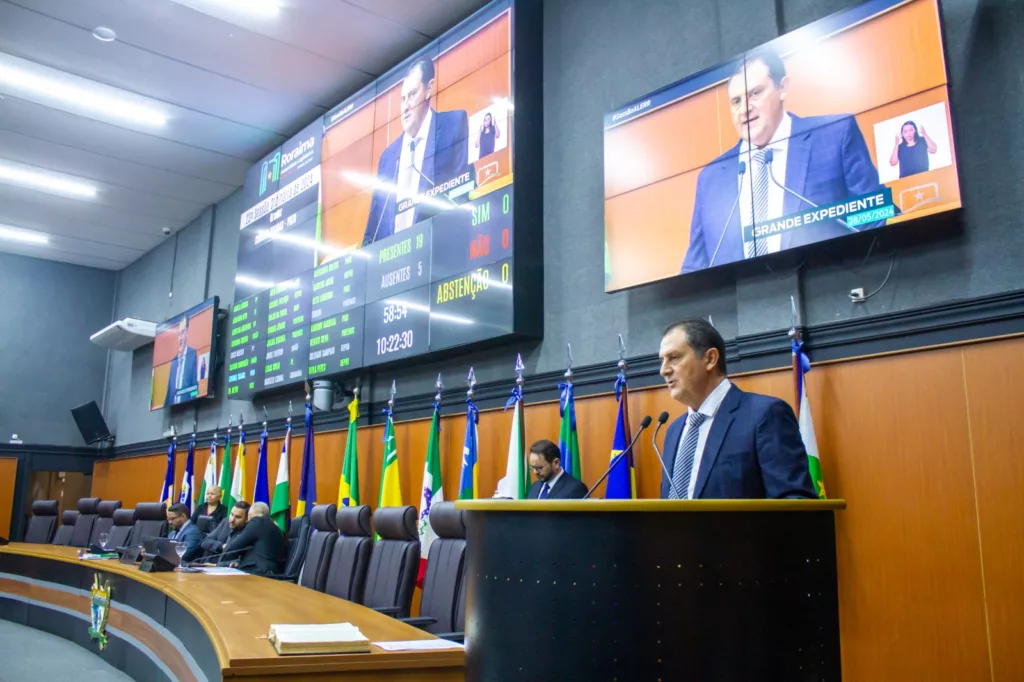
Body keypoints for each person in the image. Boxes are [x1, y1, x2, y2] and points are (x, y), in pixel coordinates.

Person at [681, 48, 884, 272]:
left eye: (755, 93)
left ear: (783, 88)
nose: (745, 109)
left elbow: (876, 219)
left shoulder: (835, 135)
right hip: (745, 304)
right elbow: (694, 268)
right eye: (736, 101)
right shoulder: (711, 177)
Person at [658, 319, 817, 499]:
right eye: (662, 360)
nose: (663, 370)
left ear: (710, 359)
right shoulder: (673, 431)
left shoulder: (765, 415)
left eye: (674, 358)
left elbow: (795, 503)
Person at [362, 57, 471, 245]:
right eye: (402, 99)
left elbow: (460, 199)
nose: (405, 106)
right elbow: (373, 230)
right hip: (390, 267)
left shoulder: (453, 126)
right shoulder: (387, 158)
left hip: (435, 257)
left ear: (429, 89)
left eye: (412, 95)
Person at [222, 501, 286, 575]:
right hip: (270, 572)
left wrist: (223, 558)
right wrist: (240, 563)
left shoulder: (257, 521)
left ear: (249, 514)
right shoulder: (275, 527)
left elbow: (232, 549)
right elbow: (262, 552)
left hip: (259, 573)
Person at [164, 317, 198, 406]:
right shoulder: (174, 362)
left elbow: (195, 387)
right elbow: (168, 392)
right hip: (173, 413)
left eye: (182, 333)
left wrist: (194, 402)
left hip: (188, 409)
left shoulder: (193, 354)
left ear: (187, 333)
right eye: (178, 334)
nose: (180, 339)